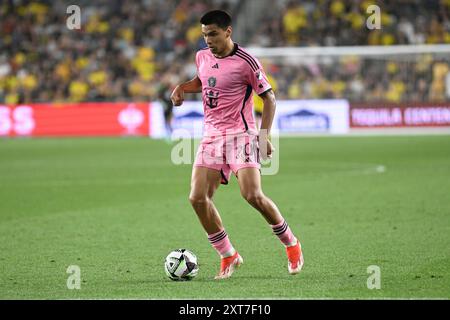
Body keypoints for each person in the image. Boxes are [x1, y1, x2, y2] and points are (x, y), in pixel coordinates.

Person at [170, 10, 303, 279]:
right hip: (211, 135)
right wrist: (183, 87)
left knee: (252, 194)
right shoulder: (202, 56)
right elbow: (205, 80)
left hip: (241, 135)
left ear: (228, 32)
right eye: (205, 34)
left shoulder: (247, 62)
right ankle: (228, 254)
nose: (208, 39)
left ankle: (291, 244)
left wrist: (264, 137)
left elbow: (269, 99)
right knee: (197, 198)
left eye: (213, 34)